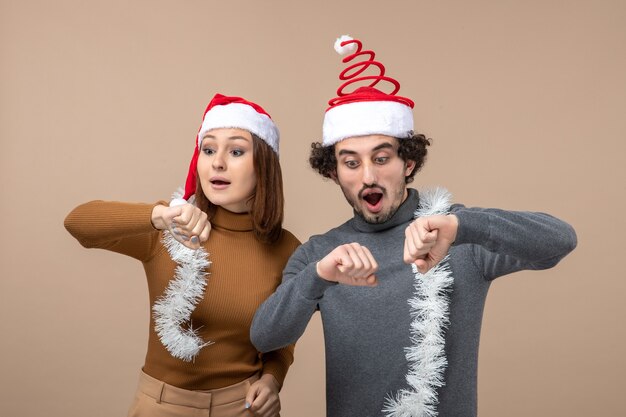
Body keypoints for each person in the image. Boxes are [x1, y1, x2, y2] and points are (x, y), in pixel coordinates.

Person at [250, 35, 577, 417]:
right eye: (351, 163)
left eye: (382, 158)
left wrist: (463, 226)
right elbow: (265, 336)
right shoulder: (321, 254)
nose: (368, 176)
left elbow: (560, 240)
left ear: (408, 163)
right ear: (334, 173)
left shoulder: (455, 234)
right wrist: (318, 276)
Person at [65, 94, 300, 417]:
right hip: (161, 407)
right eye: (208, 149)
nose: (217, 162)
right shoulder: (171, 226)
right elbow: (78, 223)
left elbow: (281, 337)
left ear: (264, 165)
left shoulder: (287, 250)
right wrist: (156, 216)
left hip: (243, 407)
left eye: (236, 151)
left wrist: (273, 380)